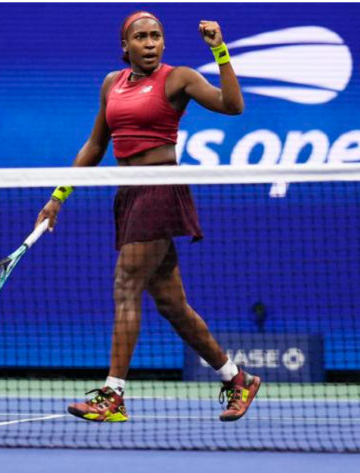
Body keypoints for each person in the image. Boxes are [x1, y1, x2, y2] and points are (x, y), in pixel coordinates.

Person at [35, 11, 260, 423]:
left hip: (161, 189)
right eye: (141, 37)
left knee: (126, 284)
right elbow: (95, 146)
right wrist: (58, 196)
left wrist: (220, 51)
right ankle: (237, 378)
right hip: (129, 195)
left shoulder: (180, 79)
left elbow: (233, 106)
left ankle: (112, 394)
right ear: (126, 46)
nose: (151, 42)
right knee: (172, 304)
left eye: (157, 35)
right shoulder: (111, 85)